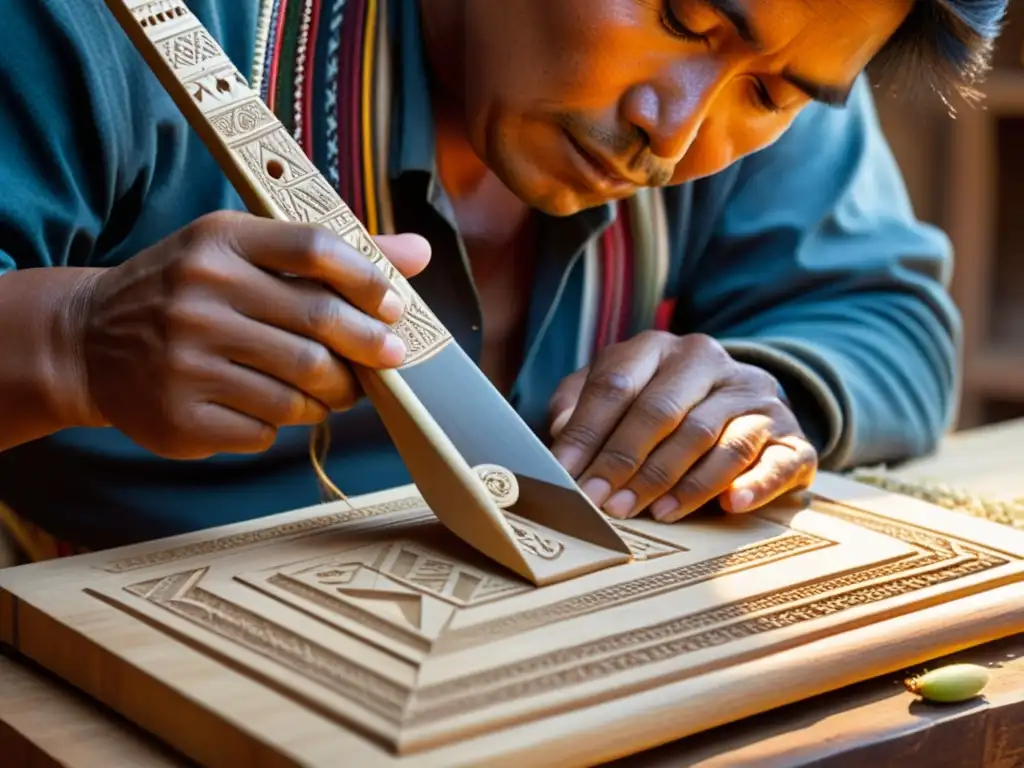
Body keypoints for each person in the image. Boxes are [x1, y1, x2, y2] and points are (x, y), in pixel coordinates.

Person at [0, 0, 1006, 559]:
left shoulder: (770, 54)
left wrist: (761, 390)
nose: (681, 125)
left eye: (772, 92)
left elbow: (891, 318)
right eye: (679, 17)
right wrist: (67, 342)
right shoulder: (108, 27)